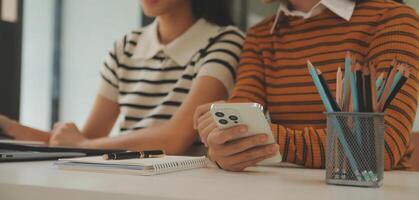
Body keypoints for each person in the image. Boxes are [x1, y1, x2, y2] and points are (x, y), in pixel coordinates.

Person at [194, 0, 418, 171]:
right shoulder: (261, 35)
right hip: (287, 187)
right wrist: (225, 141)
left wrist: (264, 140)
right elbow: (240, 119)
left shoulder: (393, 19)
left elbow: (380, 147)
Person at [0, 0, 244, 154]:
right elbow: (84, 140)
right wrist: (8, 127)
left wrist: (83, 145)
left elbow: (175, 138)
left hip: (184, 186)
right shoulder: (125, 47)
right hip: (124, 178)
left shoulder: (225, 41)